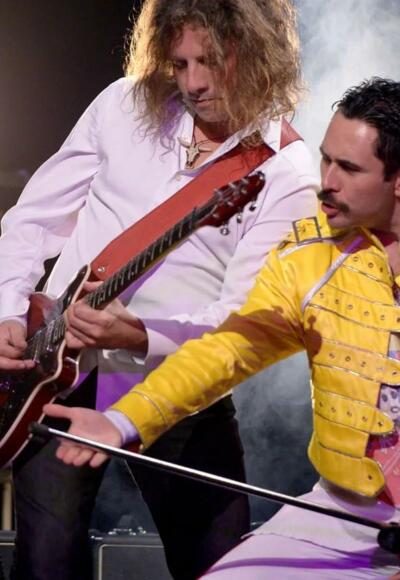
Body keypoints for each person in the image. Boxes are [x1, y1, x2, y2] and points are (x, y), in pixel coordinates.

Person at [0, 1, 318, 579]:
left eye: (212, 62)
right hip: (55, 373)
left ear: (260, 57)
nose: (194, 84)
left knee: (216, 566)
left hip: (177, 389)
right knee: (46, 566)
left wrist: (139, 335)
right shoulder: (123, 105)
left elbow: (241, 319)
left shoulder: (287, 174)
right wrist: (8, 311)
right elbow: (33, 219)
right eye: (180, 63)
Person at [50, 76, 400, 579]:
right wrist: (122, 422)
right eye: (326, 159)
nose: (326, 181)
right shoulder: (309, 255)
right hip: (344, 513)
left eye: (348, 168)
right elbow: (226, 349)